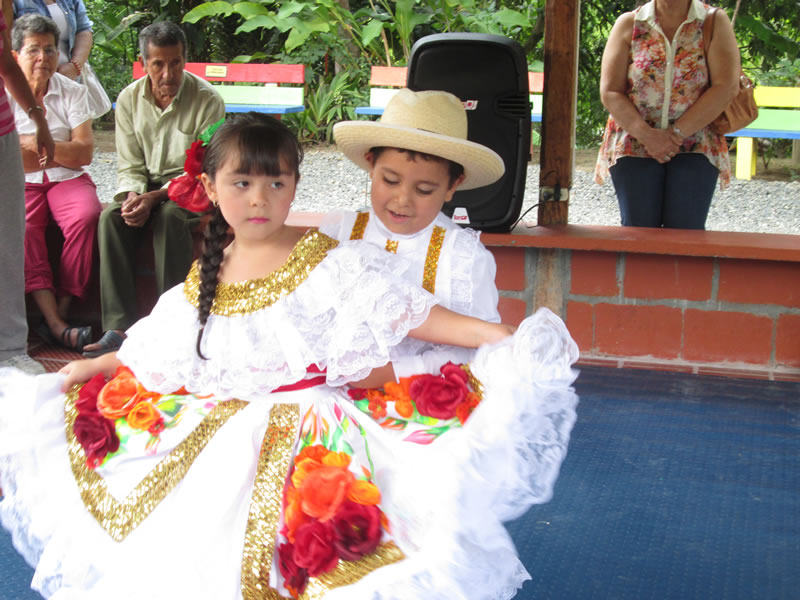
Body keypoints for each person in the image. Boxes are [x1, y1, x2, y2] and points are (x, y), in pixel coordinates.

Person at [0, 113, 579, 599]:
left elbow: (412, 312)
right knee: (210, 552)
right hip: (224, 434)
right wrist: (94, 367)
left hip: (315, 433)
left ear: (295, 187)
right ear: (210, 187)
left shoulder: (326, 256)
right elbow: (161, 345)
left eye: (276, 185)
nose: (259, 199)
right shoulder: (208, 270)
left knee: (317, 561)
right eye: (242, 184)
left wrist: (495, 333)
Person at [321, 88, 506, 385]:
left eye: (424, 190)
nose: (403, 199)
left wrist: (397, 374)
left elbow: (480, 347)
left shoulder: (462, 257)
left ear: (452, 185)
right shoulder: (340, 233)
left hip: (425, 401)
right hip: (336, 394)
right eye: (390, 180)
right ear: (371, 163)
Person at [81, 21, 225, 359]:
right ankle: (118, 326)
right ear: (145, 63)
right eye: (158, 64)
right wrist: (133, 197)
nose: (167, 73)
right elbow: (129, 164)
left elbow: (205, 168)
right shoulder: (129, 99)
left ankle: (171, 323)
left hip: (193, 189)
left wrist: (156, 197)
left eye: (175, 62)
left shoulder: (207, 100)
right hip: (146, 189)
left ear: (185, 60)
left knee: (170, 218)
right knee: (110, 219)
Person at [594, 0, 741, 229]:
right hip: (634, 142)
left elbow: (726, 87)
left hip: (697, 143)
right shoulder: (629, 24)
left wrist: (675, 134)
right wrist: (649, 136)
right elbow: (610, 91)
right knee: (638, 233)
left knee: (685, 235)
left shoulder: (713, 21)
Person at [10, 14, 100, 351]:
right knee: (26, 224)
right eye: (33, 50)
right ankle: (56, 324)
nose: (43, 58)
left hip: (68, 178)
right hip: (23, 182)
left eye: (49, 50)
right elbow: (13, 161)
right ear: (15, 54)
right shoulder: (6, 94)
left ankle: (60, 313)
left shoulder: (72, 92)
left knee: (87, 216)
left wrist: (31, 144)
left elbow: (85, 153)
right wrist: (59, 149)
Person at [0, 6, 54, 373]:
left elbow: (5, 59)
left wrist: (38, 119)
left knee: (8, 236)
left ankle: (10, 350)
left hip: (2, 131)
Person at [12, 0, 92, 82]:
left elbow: (83, 30)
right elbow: (7, 37)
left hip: (70, 78)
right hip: (30, 78)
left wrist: (74, 66)